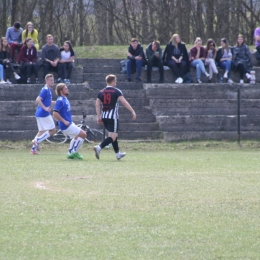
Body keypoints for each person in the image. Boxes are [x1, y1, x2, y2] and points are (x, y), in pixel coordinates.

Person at [93, 74, 136, 160]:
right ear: (112, 81)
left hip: (104, 116)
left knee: (113, 136)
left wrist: (98, 116)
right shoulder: (116, 91)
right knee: (113, 136)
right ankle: (99, 147)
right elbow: (124, 102)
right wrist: (132, 111)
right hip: (113, 117)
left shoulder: (101, 92)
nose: (116, 83)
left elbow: (97, 104)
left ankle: (118, 154)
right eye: (115, 81)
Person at [53, 83, 86, 159]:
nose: (67, 89)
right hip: (66, 125)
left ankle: (70, 153)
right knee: (83, 134)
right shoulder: (60, 100)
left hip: (69, 123)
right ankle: (74, 152)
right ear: (61, 91)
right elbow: (55, 113)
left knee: (77, 136)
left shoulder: (64, 99)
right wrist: (64, 121)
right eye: (65, 89)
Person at [31, 74, 56, 155]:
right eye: (51, 80)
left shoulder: (48, 90)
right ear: (47, 81)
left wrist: (56, 103)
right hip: (43, 114)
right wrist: (45, 108)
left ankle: (33, 149)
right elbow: (38, 99)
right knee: (53, 130)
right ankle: (37, 141)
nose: (52, 82)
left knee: (41, 131)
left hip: (39, 113)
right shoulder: (45, 90)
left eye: (53, 80)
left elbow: (47, 101)